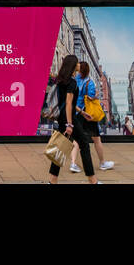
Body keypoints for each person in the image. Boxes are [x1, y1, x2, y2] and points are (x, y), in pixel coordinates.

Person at [48, 55, 97, 184]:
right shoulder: (72, 82)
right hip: (69, 119)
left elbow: (68, 102)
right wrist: (70, 124)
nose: (79, 64)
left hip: (63, 117)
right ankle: (93, 180)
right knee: (84, 145)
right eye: (77, 62)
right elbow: (69, 103)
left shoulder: (61, 80)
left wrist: (82, 112)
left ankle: (52, 181)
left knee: (60, 149)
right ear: (73, 65)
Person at [70, 61, 114, 174]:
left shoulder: (74, 81)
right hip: (88, 113)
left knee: (77, 140)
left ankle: (73, 163)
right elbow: (91, 97)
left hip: (77, 113)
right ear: (88, 70)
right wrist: (96, 94)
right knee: (96, 139)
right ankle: (103, 163)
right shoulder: (89, 82)